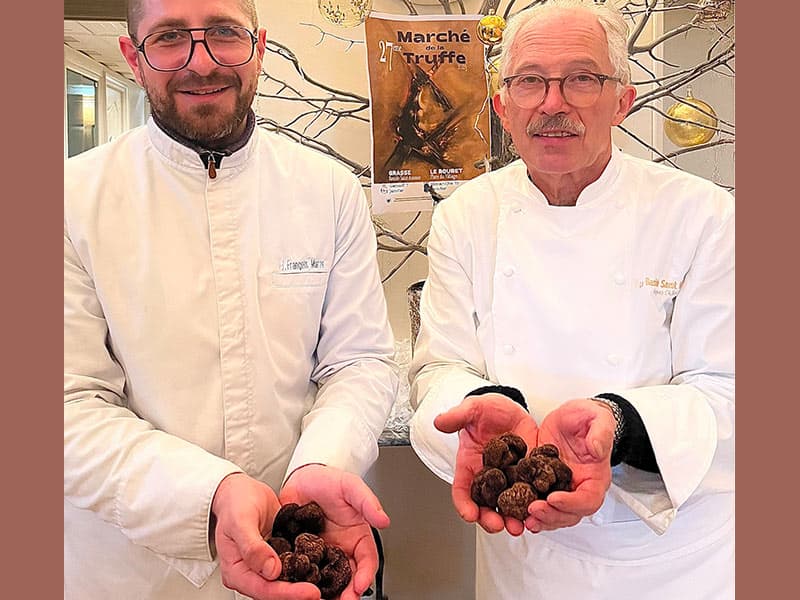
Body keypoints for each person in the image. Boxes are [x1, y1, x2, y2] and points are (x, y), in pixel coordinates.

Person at [64, 1, 399, 599]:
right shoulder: (66, 200)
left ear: (259, 46)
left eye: (224, 32)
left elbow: (359, 360)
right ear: (131, 58)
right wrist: (210, 496)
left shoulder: (328, 190)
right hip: (135, 568)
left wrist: (320, 463)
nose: (202, 61)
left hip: (306, 549)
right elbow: (63, 406)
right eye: (169, 39)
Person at [408, 0, 734, 598]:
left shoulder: (706, 215)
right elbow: (440, 366)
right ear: (502, 105)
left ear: (622, 100)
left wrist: (620, 424)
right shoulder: (465, 217)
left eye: (582, 78)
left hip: (672, 561)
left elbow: (734, 390)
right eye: (530, 80)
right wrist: (480, 408)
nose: (553, 103)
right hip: (525, 555)